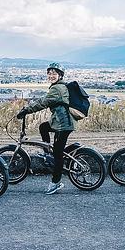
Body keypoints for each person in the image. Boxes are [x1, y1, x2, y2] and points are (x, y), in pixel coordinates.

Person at [16, 62, 74, 195]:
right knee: (43, 127)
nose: (51, 75)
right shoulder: (59, 86)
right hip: (61, 122)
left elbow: (43, 102)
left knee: (58, 155)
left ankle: (55, 183)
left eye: (54, 73)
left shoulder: (57, 89)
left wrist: (26, 110)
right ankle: (48, 151)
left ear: (60, 75)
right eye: (49, 73)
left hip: (63, 125)